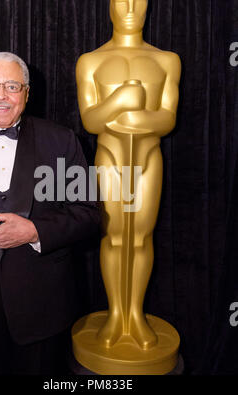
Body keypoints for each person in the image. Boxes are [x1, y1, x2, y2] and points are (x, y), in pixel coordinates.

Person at [0, 52, 100, 375]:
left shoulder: (61, 140)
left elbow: (90, 212)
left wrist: (35, 232)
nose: (0, 95)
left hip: (41, 308)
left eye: (12, 86)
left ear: (27, 93)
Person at [75, 0, 181, 355]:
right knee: (114, 235)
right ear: (109, 5)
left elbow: (167, 118)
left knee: (141, 237)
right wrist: (121, 98)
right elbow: (91, 121)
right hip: (110, 156)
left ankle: (134, 313)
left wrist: (133, 121)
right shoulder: (91, 61)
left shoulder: (167, 60)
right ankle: (115, 313)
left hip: (149, 156)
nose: (131, 6)